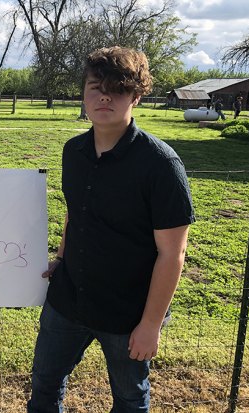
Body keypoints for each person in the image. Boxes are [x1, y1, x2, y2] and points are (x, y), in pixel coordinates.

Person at [27, 47, 195, 413]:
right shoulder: (73, 151)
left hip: (128, 311)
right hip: (68, 299)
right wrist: (61, 258)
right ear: (84, 95)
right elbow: (75, 215)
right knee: (44, 385)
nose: (104, 96)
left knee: (129, 399)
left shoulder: (161, 165)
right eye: (94, 87)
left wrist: (151, 325)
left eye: (117, 89)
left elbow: (173, 253)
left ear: (136, 95)